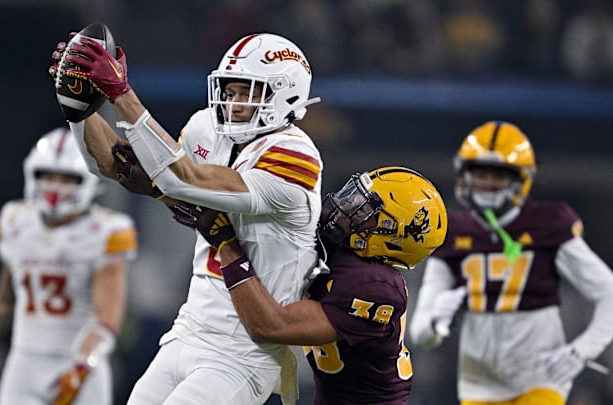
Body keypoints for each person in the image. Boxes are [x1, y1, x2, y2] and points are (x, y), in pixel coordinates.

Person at [53, 32, 323, 404]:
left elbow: (182, 178)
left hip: (242, 353)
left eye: (248, 91)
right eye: (230, 90)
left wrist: (120, 93)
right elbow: (117, 165)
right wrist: (79, 108)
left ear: (286, 94)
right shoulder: (207, 128)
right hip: (189, 328)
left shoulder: (295, 156)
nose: (233, 102)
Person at [171, 166, 448, 404]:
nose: (348, 207)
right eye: (356, 197)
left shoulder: (376, 288)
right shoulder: (341, 241)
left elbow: (269, 326)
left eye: (366, 211)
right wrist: (164, 187)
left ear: (395, 236)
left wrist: (227, 246)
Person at [0, 128, 138, 405]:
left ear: (86, 181)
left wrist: (82, 366)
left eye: (66, 178)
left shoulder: (106, 231)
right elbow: (3, 305)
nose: (55, 186)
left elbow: (107, 321)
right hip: (25, 363)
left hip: (78, 364)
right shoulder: (16, 221)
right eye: (47, 176)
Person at [408, 121, 613, 404]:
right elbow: (420, 335)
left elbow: (608, 291)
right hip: (478, 383)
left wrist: (583, 350)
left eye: (498, 175)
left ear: (521, 179)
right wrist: (436, 320)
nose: (488, 183)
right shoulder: (452, 233)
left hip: (539, 378)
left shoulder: (548, 225)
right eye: (480, 173)